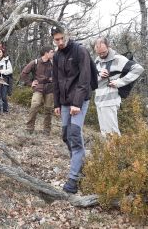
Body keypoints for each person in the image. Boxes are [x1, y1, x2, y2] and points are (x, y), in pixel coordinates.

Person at [51, 25, 92, 194]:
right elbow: (56, 81)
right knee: (66, 137)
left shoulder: (80, 51)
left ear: (67, 36)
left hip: (80, 101)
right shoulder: (57, 56)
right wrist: (56, 104)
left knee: (74, 135)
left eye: (62, 38)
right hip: (65, 102)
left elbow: (85, 79)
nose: (60, 42)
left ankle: (73, 180)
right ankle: (80, 164)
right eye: (56, 40)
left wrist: (77, 103)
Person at [94, 37, 144, 136]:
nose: (101, 55)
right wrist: (99, 74)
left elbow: (138, 69)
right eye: (99, 53)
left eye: (103, 52)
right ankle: (108, 151)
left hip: (110, 100)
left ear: (108, 47)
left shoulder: (118, 59)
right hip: (99, 101)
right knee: (104, 132)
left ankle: (118, 151)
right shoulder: (97, 61)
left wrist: (119, 82)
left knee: (112, 133)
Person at [21, 46, 55, 135]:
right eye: (51, 52)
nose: (53, 54)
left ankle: (46, 130)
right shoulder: (35, 62)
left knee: (48, 109)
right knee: (34, 106)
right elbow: (24, 73)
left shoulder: (53, 63)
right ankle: (29, 128)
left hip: (50, 89)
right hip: (38, 88)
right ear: (46, 53)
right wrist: (30, 83)